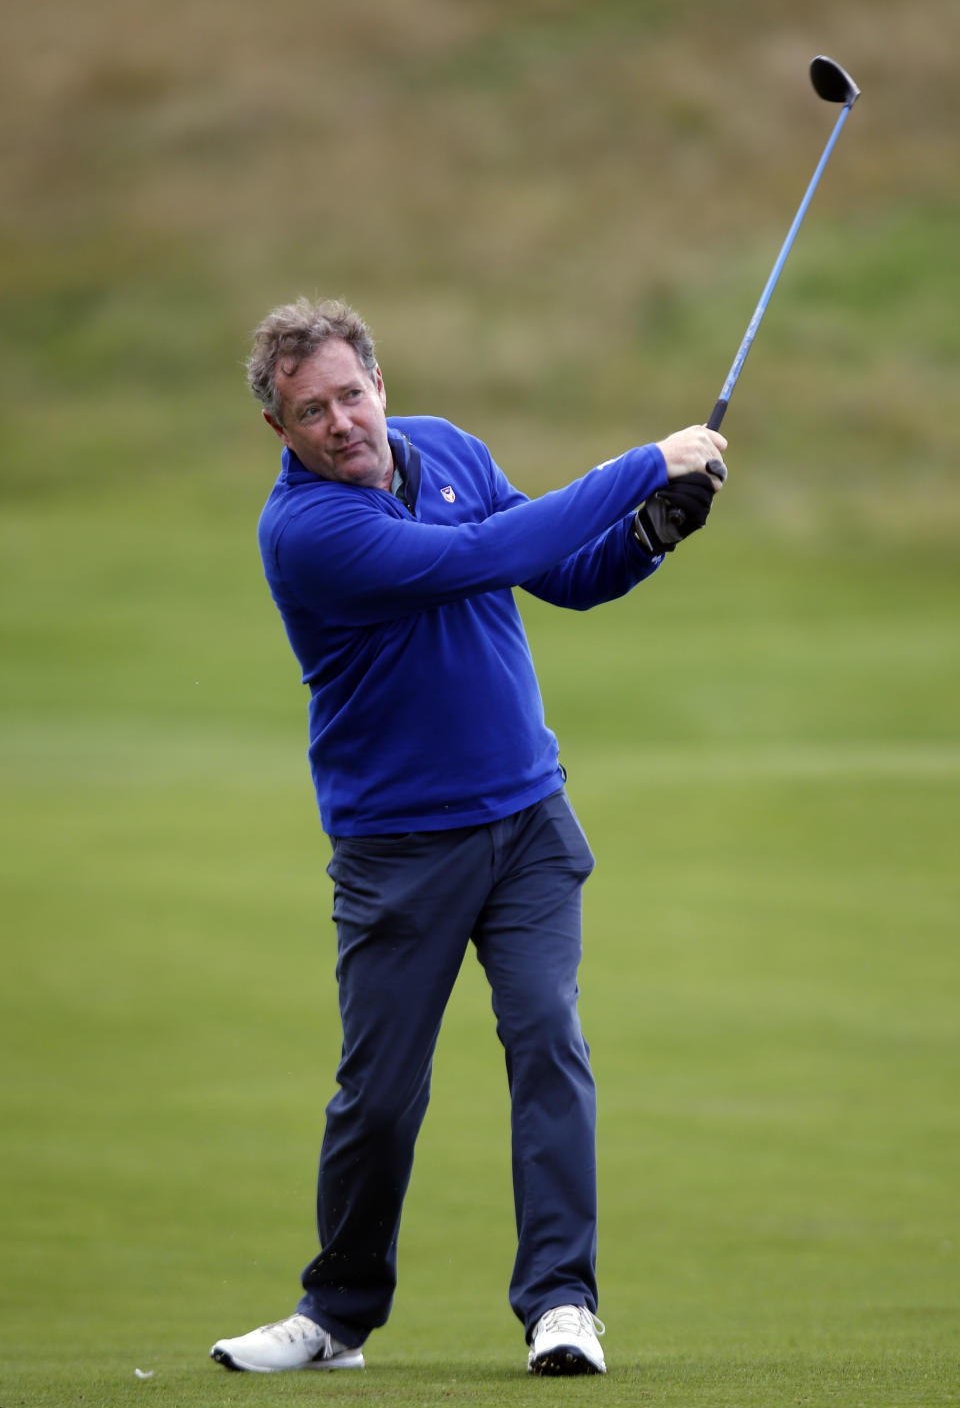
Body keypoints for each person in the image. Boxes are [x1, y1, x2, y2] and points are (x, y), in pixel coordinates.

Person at [210, 297, 727, 1378]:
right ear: (280, 429)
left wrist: (653, 531)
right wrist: (646, 461)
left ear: (380, 383)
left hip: (529, 819)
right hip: (400, 847)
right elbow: (485, 554)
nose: (342, 422)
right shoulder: (307, 532)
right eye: (312, 411)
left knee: (547, 1035)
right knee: (382, 1089)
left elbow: (564, 572)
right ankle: (336, 1313)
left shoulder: (446, 449)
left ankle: (562, 1302)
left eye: (353, 394)